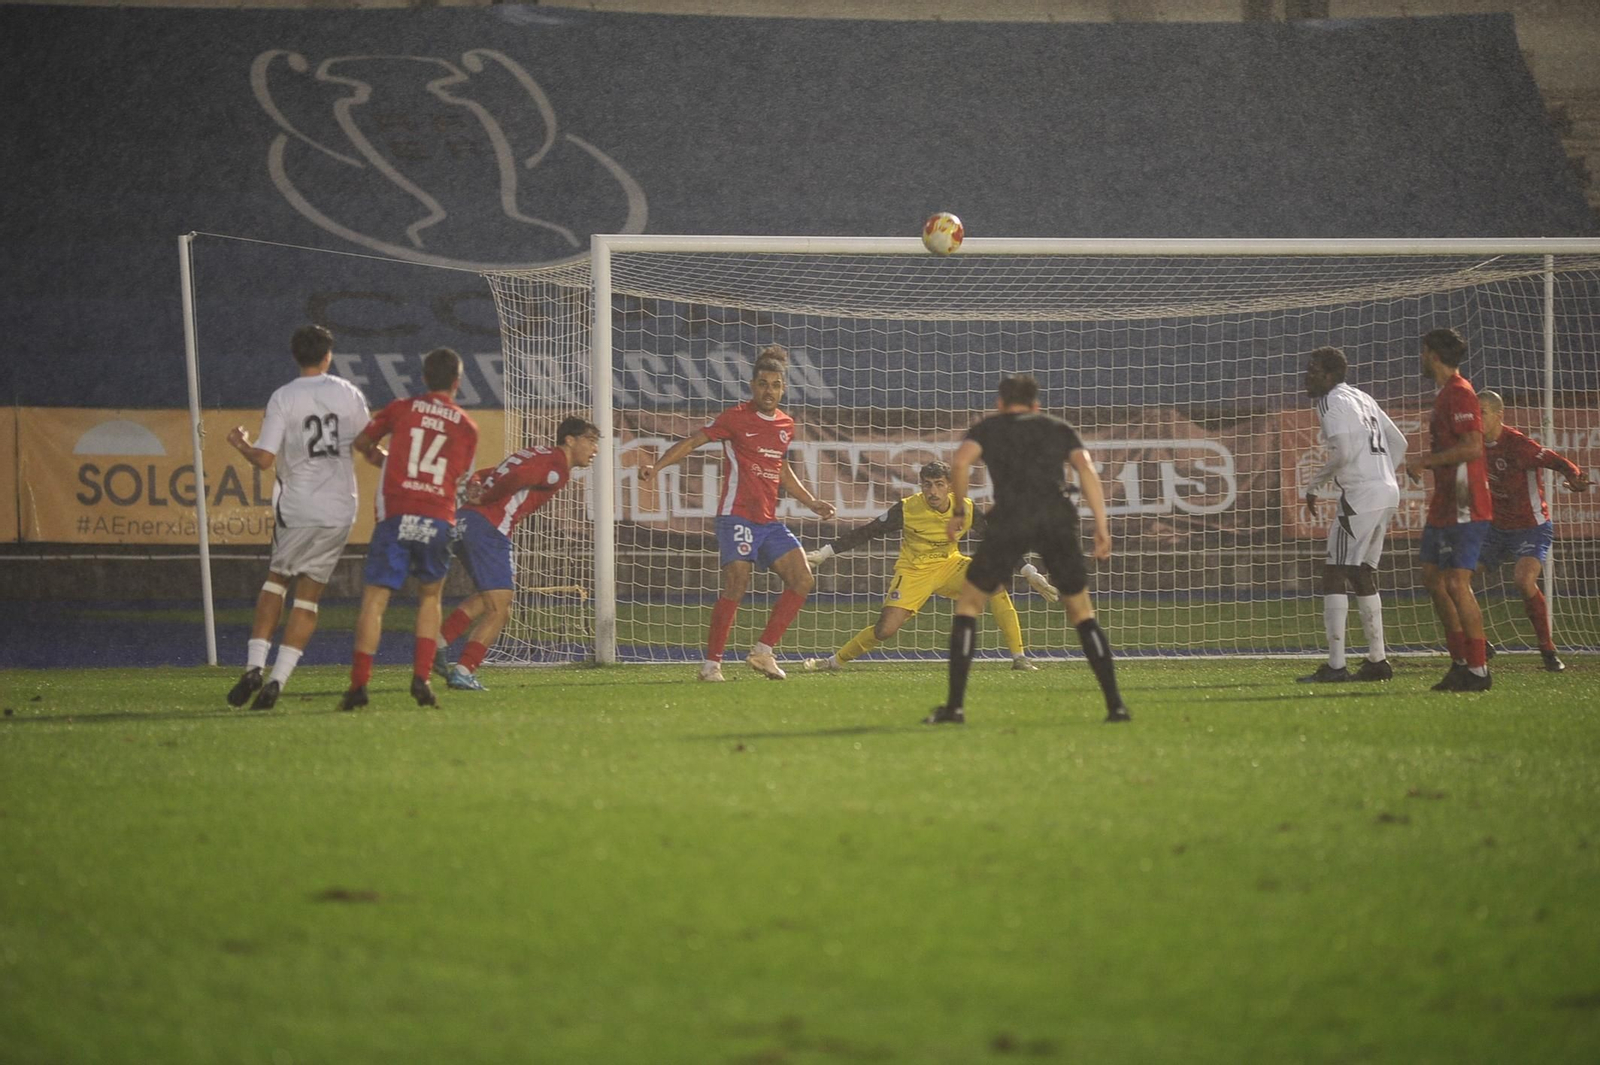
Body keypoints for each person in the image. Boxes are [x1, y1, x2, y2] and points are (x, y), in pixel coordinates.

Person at [930, 374, 1127, 724]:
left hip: (1010, 518)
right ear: (1037, 405)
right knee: (1081, 612)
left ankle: (955, 708)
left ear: (1000, 403)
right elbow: (1086, 469)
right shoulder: (1057, 427)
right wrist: (1101, 525)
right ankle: (1116, 707)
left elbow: (960, 463)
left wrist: (959, 510)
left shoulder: (988, 428)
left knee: (969, 606)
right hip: (1057, 518)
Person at [638, 345, 836, 681]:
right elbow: (691, 442)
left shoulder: (787, 424)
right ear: (752, 385)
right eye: (762, 384)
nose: (768, 390)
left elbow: (781, 467)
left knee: (802, 578)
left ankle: (763, 652)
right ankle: (711, 664)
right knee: (737, 583)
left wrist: (811, 501)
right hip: (736, 516)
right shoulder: (735, 418)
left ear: (783, 388)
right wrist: (656, 467)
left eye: (775, 385)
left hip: (768, 520)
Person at [225, 324, 373, 710]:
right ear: (328, 356)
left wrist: (241, 443)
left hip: (298, 506)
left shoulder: (284, 397)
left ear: (295, 356)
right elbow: (369, 446)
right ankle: (278, 679)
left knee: (276, 582)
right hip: (340, 508)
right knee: (309, 597)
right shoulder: (348, 393)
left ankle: (254, 667)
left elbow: (264, 459)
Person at [802, 459, 1053, 673]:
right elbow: (867, 532)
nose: (933, 491)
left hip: (950, 566)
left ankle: (1019, 657)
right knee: (885, 629)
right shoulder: (908, 508)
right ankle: (835, 661)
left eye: (939, 485)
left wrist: (1027, 571)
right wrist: (824, 553)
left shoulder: (965, 509)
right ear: (921, 485)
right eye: (927, 485)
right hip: (913, 571)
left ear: (950, 487)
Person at [340, 348, 479, 710]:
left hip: (397, 512)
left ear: (424, 378)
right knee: (430, 597)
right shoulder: (466, 426)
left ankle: (358, 686)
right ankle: (421, 680)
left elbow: (362, 443)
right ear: (456, 382)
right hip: (437, 515)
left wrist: (383, 460)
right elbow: (459, 475)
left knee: (375, 600)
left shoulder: (401, 409)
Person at [433, 416, 602, 690]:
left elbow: (490, 473)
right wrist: (486, 498)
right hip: (490, 529)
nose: (595, 449)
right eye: (590, 441)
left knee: (488, 598)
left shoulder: (537, 452)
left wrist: (476, 485)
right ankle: (464, 670)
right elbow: (518, 477)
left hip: (465, 522)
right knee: (500, 610)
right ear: (570, 440)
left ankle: (437, 644)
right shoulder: (557, 468)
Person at [1296, 347, 1408, 684]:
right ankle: (1377, 660)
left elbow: (1343, 453)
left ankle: (1335, 666)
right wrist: (1383, 475)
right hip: (1387, 491)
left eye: (1313, 370)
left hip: (1362, 494)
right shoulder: (1362, 397)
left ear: (1329, 376)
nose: (1307, 376)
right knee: (1362, 572)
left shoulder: (1330, 401)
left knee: (1333, 571)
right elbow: (1399, 442)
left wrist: (1315, 484)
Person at [1475, 390, 1592, 672]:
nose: (1477, 419)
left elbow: (1558, 462)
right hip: (1496, 526)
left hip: (1531, 526)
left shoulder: (1518, 445)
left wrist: (1575, 478)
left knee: (1524, 580)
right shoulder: (1474, 443)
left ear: (1499, 415)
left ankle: (1548, 651)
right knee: (1455, 576)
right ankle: (1477, 642)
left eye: (1483, 413)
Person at [1404, 328, 1493, 693]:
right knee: (1433, 579)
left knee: (1456, 582)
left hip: (1465, 503)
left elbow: (1474, 447)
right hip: (1445, 503)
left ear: (1432, 354)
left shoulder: (1460, 392)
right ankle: (1460, 662)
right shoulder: (1445, 394)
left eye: (1423, 352)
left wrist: (1426, 461)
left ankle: (1478, 669)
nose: (1421, 358)